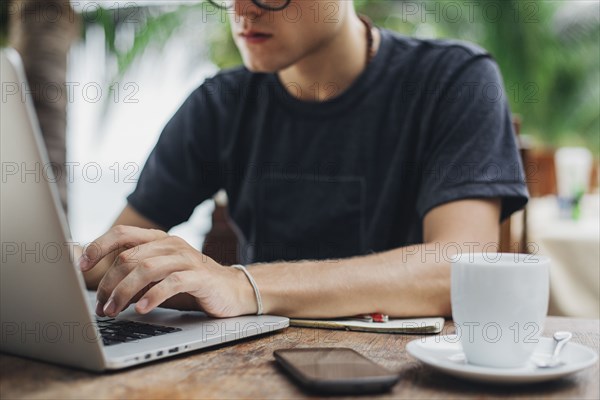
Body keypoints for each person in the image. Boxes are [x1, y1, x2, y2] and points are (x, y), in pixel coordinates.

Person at [79, 0, 528, 320]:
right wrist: (44, 258)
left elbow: (459, 268)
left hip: (401, 366)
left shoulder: (453, 81)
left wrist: (241, 285)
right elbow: (111, 258)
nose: (242, 9)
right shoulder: (220, 104)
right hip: (249, 363)